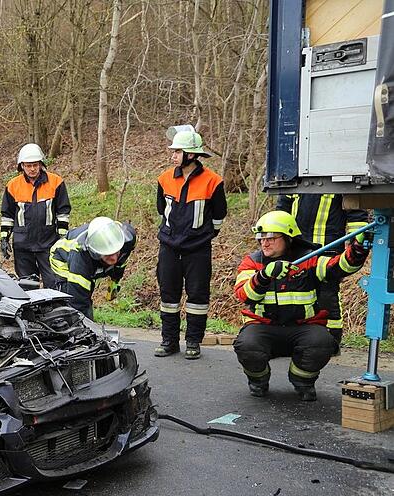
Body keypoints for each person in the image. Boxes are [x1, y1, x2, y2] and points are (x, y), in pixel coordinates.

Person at [233, 210, 369, 401]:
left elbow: (341, 266)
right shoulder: (253, 262)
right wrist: (264, 276)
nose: (264, 243)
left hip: (303, 327)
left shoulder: (309, 259)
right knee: (247, 345)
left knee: (322, 343)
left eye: (271, 237)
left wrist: (358, 248)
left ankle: (302, 381)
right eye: (261, 238)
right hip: (264, 327)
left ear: (288, 237)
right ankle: (258, 381)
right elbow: (243, 294)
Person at [155, 126, 227, 360]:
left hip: (198, 249)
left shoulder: (213, 181)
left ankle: (193, 341)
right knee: (168, 296)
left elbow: (219, 215)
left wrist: (203, 236)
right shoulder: (165, 178)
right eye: (173, 151)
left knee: (197, 297)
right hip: (168, 246)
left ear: (192, 155)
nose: (173, 155)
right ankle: (169, 341)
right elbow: (161, 209)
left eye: (177, 151)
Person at [275, 193, 370, 349]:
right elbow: (282, 209)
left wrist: (356, 245)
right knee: (294, 293)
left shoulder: (341, 177)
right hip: (298, 248)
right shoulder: (296, 176)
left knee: (327, 294)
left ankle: (331, 340)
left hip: (328, 248)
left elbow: (356, 213)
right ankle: (295, 336)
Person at [0, 143, 71, 288]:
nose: (32, 169)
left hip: (48, 243)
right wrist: (4, 238)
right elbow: (7, 215)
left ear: (41, 164)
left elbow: (63, 211)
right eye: (28, 165)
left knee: (53, 282)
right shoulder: (13, 185)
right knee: (28, 285)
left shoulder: (56, 182)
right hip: (23, 244)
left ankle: (53, 310)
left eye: (35, 165)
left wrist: (62, 237)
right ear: (22, 166)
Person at [49, 216, 136, 320]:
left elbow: (120, 263)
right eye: (107, 255)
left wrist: (115, 280)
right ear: (96, 253)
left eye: (116, 252)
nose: (114, 259)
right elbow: (78, 301)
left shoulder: (128, 238)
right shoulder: (80, 259)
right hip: (62, 259)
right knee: (71, 301)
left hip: (90, 260)